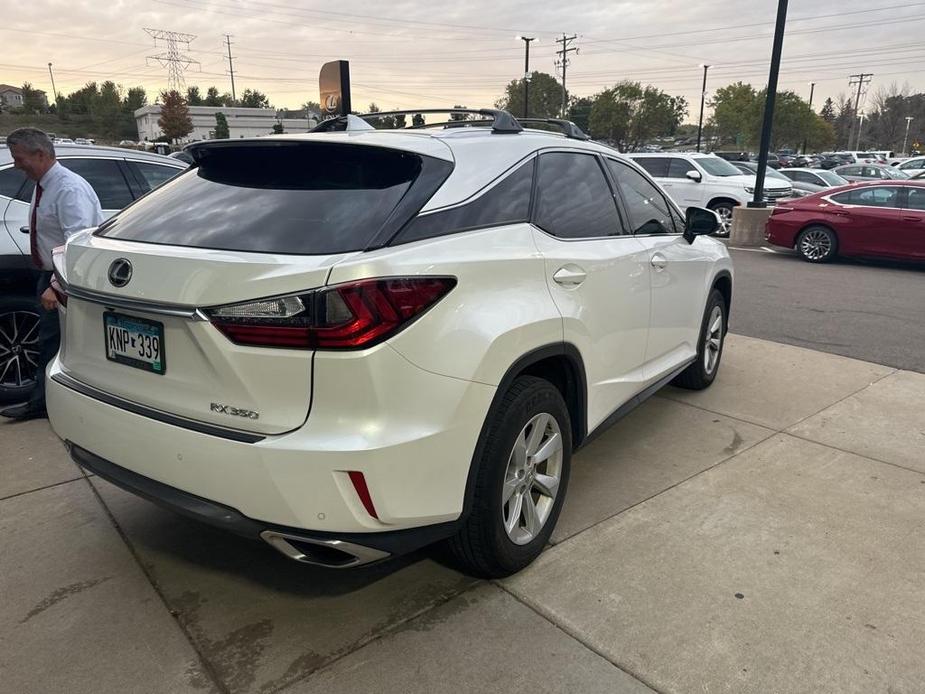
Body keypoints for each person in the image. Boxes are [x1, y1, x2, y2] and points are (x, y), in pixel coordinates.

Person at [1, 128, 103, 421]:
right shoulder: (44, 184)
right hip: (47, 275)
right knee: (53, 341)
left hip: (65, 279)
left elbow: (78, 241)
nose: (17, 165)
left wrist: (57, 284)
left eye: (20, 159)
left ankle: (42, 404)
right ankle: (52, 400)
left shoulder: (68, 189)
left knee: (54, 342)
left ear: (41, 155)